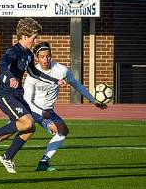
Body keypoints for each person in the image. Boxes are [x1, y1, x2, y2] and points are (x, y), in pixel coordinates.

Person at [0, 18, 66, 173]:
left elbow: (35, 73)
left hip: (17, 95)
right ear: (24, 36)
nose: (36, 40)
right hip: (4, 93)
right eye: (34, 37)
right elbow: (2, 64)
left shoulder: (29, 55)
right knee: (27, 123)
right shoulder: (13, 51)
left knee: (29, 129)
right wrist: (10, 77)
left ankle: (5, 156)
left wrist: (55, 81)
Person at [24, 42, 107, 171]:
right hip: (32, 109)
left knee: (63, 131)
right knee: (7, 134)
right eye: (42, 56)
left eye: (48, 56)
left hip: (48, 111)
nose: (46, 59)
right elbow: (27, 100)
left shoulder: (61, 70)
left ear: (51, 56)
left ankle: (43, 163)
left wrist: (92, 100)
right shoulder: (33, 74)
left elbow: (76, 85)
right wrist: (40, 112)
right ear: (37, 58)